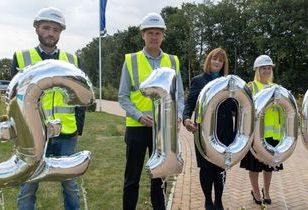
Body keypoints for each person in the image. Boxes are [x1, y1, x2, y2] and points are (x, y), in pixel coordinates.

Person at [10, 7, 85, 210]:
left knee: (70, 184)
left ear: (60, 32)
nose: (50, 33)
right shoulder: (22, 58)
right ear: (37, 29)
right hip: (32, 134)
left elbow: (79, 95)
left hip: (66, 132)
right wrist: (17, 129)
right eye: (46, 28)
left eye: (55, 29)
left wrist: (79, 127)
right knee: (28, 185)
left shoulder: (72, 60)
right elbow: (14, 98)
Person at [118, 12, 184, 210]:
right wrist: (138, 115)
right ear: (142, 35)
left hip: (163, 130)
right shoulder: (131, 60)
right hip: (137, 128)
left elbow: (179, 95)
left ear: (163, 35)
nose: (154, 36)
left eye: (158, 33)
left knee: (159, 177)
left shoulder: (173, 62)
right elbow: (122, 96)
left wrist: (178, 116)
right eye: (150, 33)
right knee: (132, 177)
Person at [183, 47, 237, 210]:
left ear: (224, 64)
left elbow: (236, 106)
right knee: (206, 167)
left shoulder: (229, 82)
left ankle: (218, 200)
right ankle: (208, 200)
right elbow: (190, 103)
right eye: (215, 59)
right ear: (209, 60)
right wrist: (186, 118)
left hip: (225, 130)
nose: (217, 62)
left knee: (221, 166)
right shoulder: (198, 80)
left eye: (221, 60)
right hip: (203, 131)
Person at [240, 55, 283, 205]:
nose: (266, 70)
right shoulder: (250, 87)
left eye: (268, 68)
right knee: (254, 166)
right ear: (257, 70)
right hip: (255, 133)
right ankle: (256, 191)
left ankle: (267, 191)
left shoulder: (276, 88)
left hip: (272, 134)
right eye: (263, 68)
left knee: (269, 166)